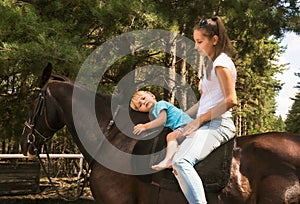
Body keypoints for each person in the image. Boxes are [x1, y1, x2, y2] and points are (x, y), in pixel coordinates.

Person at [171, 16, 237, 204]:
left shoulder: (221, 63)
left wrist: (199, 121)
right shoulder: (211, 64)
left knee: (180, 161)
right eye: (195, 41)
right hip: (206, 122)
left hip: (218, 125)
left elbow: (231, 100)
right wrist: (181, 116)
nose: (196, 46)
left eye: (200, 41)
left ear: (214, 40)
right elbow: (203, 103)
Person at [130, 90, 193, 170]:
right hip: (181, 126)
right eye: (140, 105)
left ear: (152, 95)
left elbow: (161, 120)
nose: (143, 102)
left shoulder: (160, 104)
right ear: (141, 110)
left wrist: (144, 126)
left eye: (143, 98)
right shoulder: (154, 112)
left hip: (186, 124)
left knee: (170, 136)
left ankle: (168, 160)